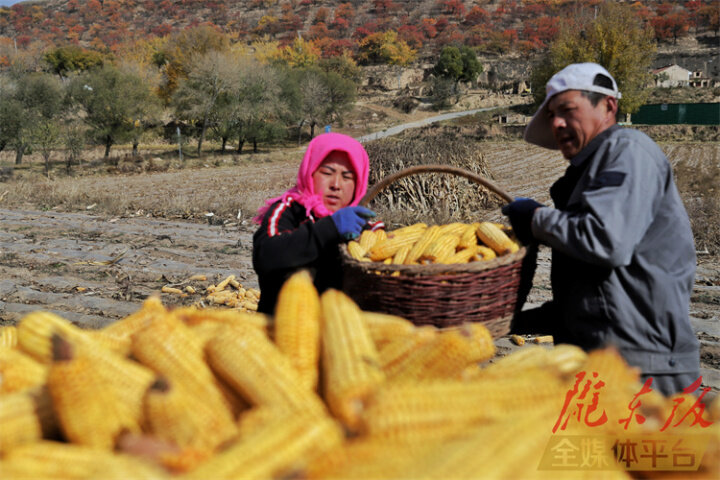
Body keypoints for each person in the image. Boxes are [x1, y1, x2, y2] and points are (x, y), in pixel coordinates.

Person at [503, 63, 700, 396]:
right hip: (598, 362)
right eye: (552, 115)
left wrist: (536, 218)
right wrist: (509, 322)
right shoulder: (584, 177)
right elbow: (596, 296)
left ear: (608, 106)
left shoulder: (627, 152)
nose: (557, 123)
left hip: (643, 369)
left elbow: (608, 242)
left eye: (567, 110)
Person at [252, 132, 383, 315]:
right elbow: (266, 254)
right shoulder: (288, 210)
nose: (336, 184)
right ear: (310, 172)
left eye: (347, 177)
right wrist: (329, 228)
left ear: (359, 184)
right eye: (327, 173)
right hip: (283, 326)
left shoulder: (365, 228)